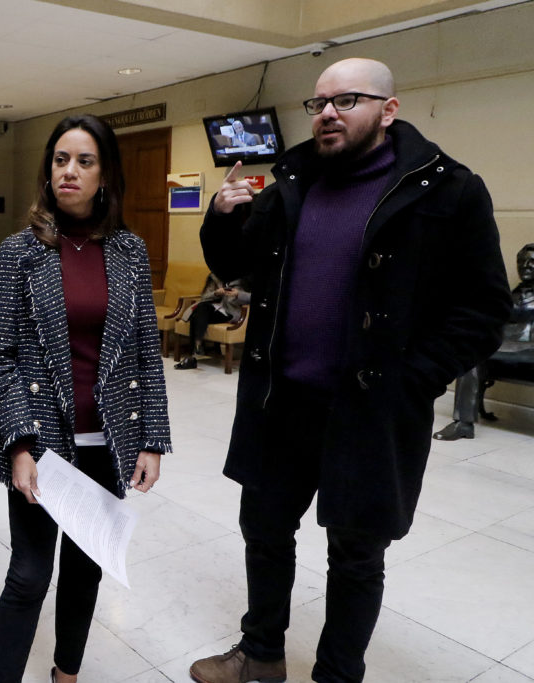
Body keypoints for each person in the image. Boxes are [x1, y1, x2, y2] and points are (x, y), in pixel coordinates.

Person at [189, 58, 511, 683]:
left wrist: (415, 378)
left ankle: (337, 676)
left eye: (347, 100)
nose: (328, 114)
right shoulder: (293, 183)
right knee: (264, 530)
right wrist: (222, 215)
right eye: (319, 104)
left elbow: (483, 307)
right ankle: (260, 655)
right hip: (282, 403)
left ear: (389, 110)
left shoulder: (448, 191)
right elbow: (237, 266)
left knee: (356, 554)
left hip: (370, 412)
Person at [0, 114, 171, 683]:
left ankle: (66, 675)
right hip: (40, 443)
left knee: (86, 567)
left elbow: (145, 350)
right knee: (29, 575)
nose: (69, 171)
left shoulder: (129, 250)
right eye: (61, 159)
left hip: (107, 440)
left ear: (104, 175)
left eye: (84, 161)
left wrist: (152, 440)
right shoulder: (20, 251)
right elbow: (0, 358)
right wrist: (19, 446)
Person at [434, 242, 534, 440]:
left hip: (530, 352)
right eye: (522, 262)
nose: (525, 266)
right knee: (471, 356)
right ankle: (463, 423)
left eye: (531, 262)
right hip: (506, 348)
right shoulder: (510, 295)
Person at [174, 272, 250, 369]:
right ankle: (197, 346)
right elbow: (204, 297)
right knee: (200, 308)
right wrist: (216, 293)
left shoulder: (245, 278)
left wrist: (238, 294)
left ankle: (193, 353)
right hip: (214, 308)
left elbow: (255, 298)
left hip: (231, 312)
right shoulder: (214, 277)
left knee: (196, 316)